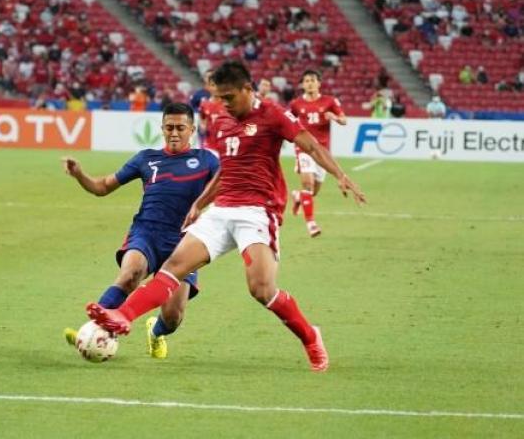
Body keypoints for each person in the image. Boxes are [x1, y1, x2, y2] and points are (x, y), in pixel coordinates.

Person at [86, 61, 366, 372]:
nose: (224, 104)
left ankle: (310, 335)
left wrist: (339, 174)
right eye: (220, 97)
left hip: (258, 211)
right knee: (173, 267)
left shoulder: (273, 114)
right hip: (221, 210)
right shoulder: (221, 121)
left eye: (229, 97)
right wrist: (201, 203)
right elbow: (226, 172)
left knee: (261, 289)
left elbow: (311, 145)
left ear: (248, 89)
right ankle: (122, 316)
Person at [63, 102, 220, 359]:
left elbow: (227, 184)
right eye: (169, 127)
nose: (174, 133)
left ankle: (155, 332)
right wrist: (80, 174)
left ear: (192, 129)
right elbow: (103, 186)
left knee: (172, 316)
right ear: (161, 128)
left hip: (185, 242)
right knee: (130, 275)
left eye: (180, 127)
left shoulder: (207, 160)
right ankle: (90, 332)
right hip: (146, 233)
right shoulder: (146, 158)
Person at [288, 70, 347, 238]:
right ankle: (311, 223)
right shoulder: (296, 104)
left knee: (313, 192)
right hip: (304, 148)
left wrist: (335, 117)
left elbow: (344, 120)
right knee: (308, 183)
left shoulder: (329, 101)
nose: (309, 83)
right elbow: (286, 122)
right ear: (302, 84)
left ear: (319, 83)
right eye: (306, 81)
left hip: (322, 153)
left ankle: (298, 196)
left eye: (312, 80)